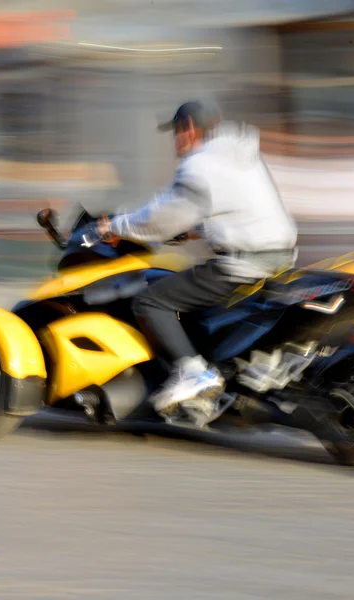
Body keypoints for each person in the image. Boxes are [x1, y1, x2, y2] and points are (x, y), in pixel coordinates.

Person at [97, 100, 298, 426]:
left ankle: (193, 373)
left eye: (176, 131)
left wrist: (116, 226)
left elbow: (164, 216)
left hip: (242, 264)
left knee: (151, 301)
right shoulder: (240, 156)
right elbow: (232, 205)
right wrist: (194, 230)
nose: (175, 140)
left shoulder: (201, 163)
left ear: (188, 128)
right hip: (279, 258)